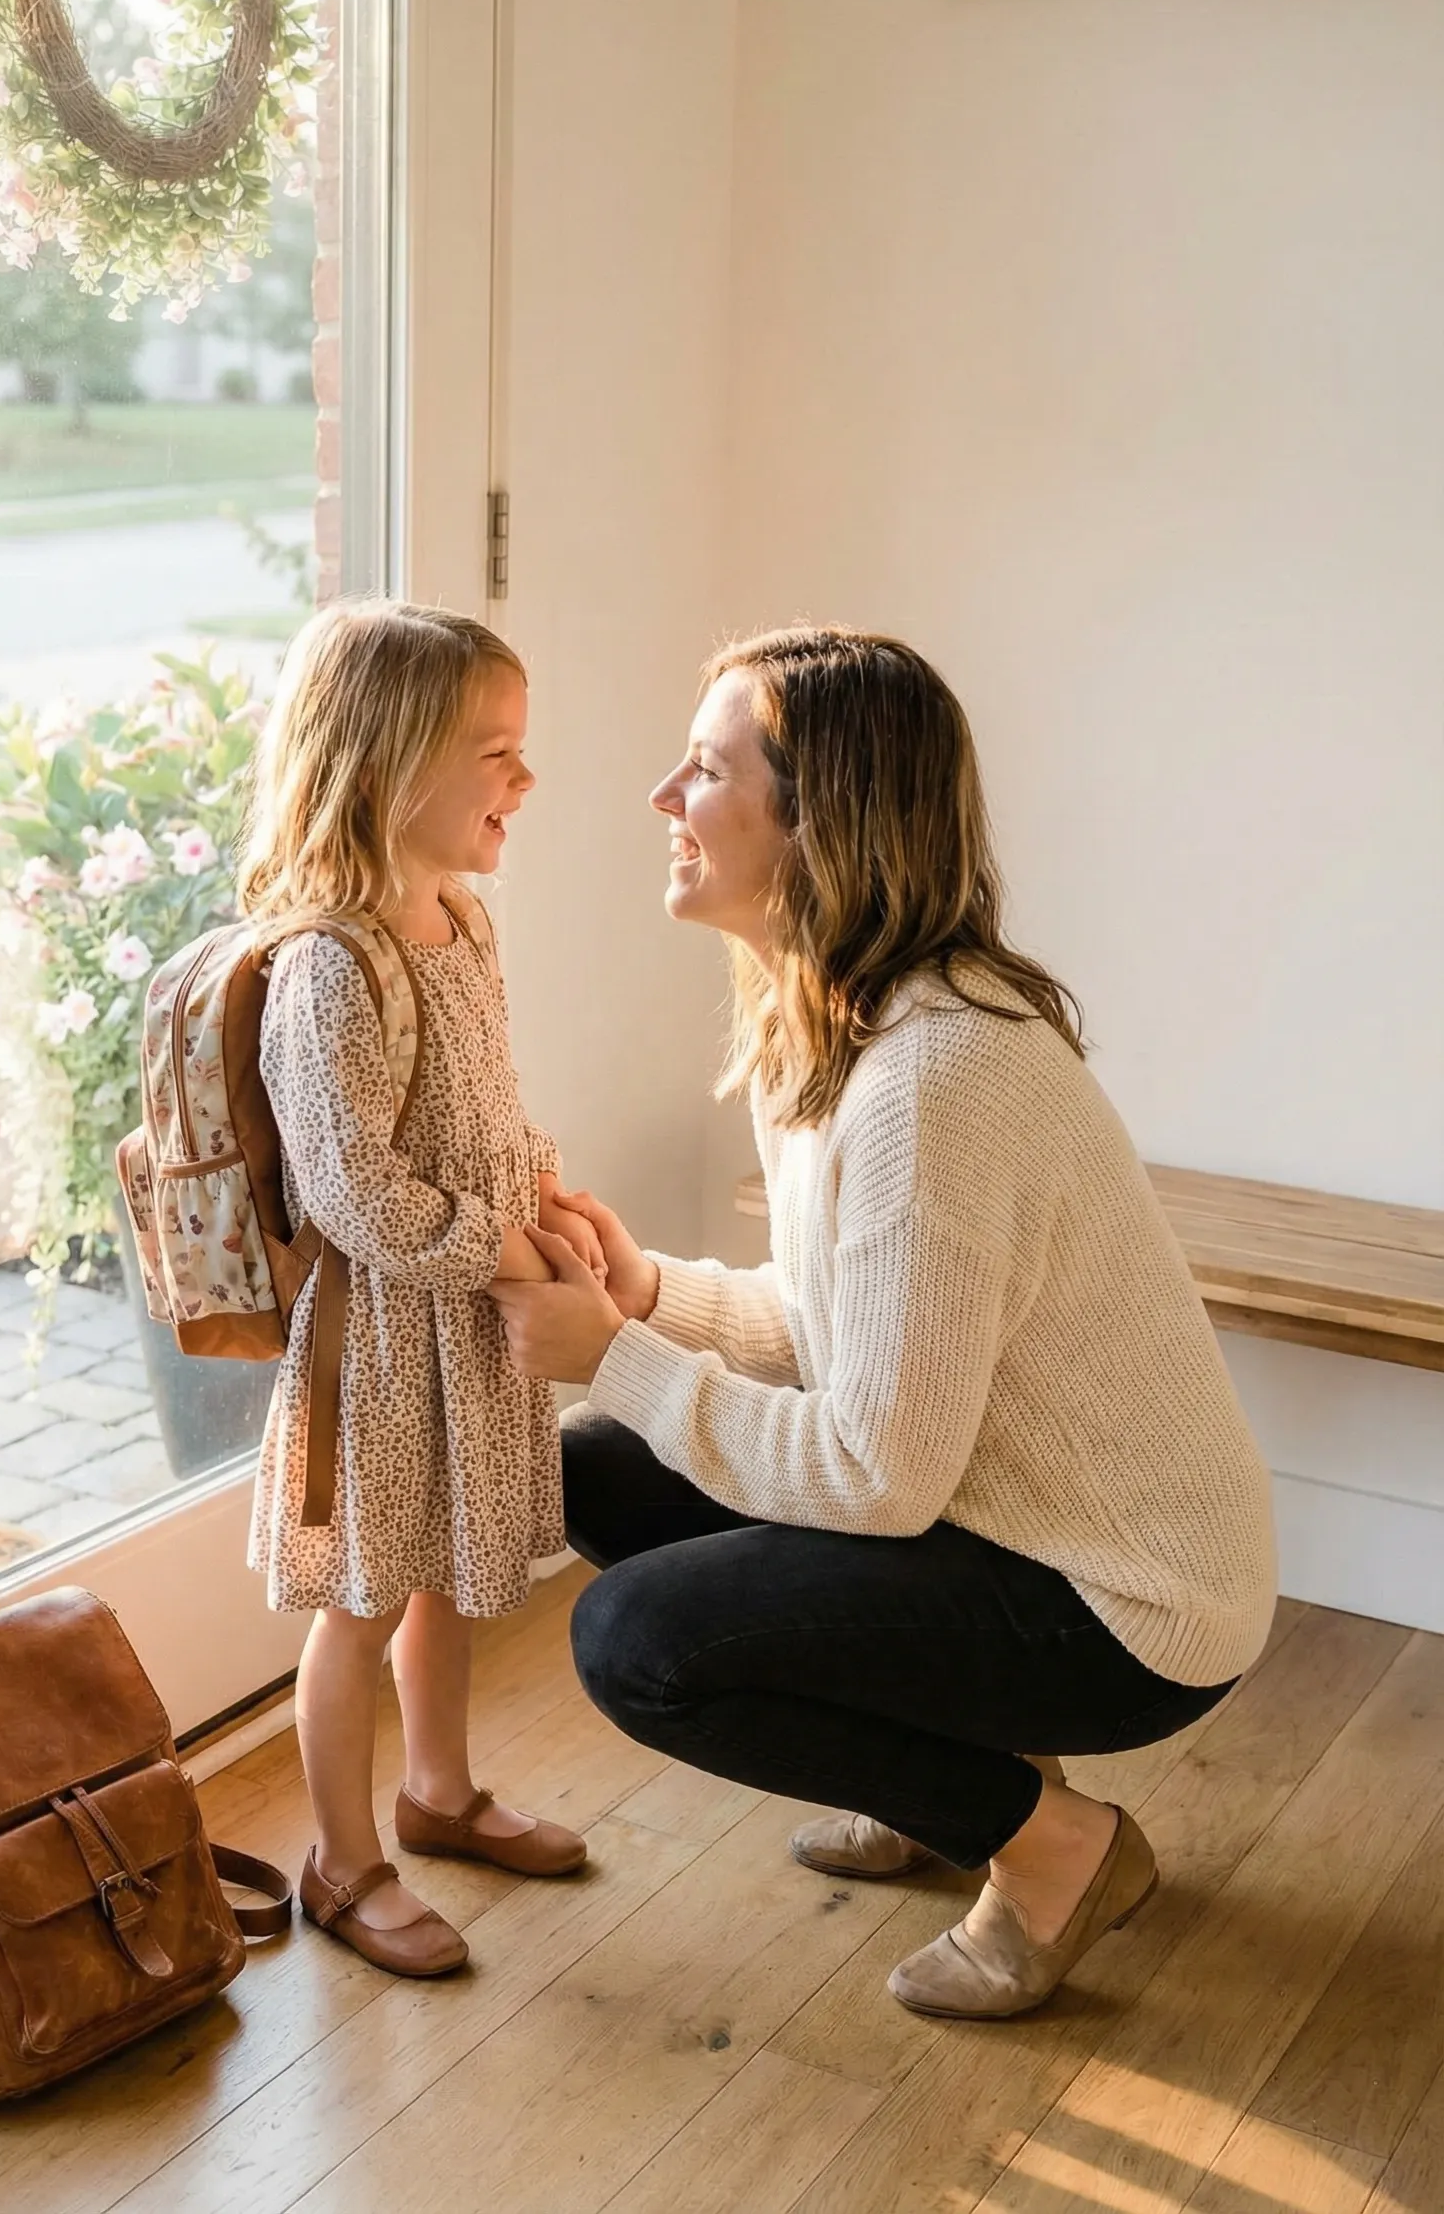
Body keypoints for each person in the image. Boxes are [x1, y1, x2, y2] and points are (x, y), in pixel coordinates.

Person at [490, 626, 1277, 2019]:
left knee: (639, 1644)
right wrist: (651, 1297)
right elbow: (842, 1333)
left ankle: (1052, 1845)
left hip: (1127, 1604)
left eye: (707, 769)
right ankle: (935, 1783)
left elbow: (876, 1471)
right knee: (589, 1461)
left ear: (819, 822)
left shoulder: (936, 1079)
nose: (663, 797)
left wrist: (615, 1348)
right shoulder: (845, 1022)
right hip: (999, 1520)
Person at [241, 600, 601, 1979]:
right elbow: (356, 1194)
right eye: (498, 753)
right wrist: (510, 1254)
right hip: (384, 1342)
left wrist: (550, 1197)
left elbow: (489, 1118)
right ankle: (340, 1861)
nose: (527, 779)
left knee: (451, 1570)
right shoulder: (334, 965)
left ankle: (438, 1796)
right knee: (369, 1595)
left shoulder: (462, 921)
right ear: (390, 767)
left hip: (463, 1318)